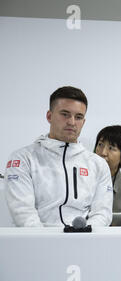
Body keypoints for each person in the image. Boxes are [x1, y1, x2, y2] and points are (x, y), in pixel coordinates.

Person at [4, 86, 113, 227]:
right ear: (49, 116)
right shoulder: (22, 158)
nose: (72, 122)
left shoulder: (98, 164)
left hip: (85, 242)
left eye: (78, 117)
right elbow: (22, 212)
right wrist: (48, 243)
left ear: (83, 122)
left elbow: (102, 213)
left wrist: (85, 238)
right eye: (65, 114)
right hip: (36, 244)